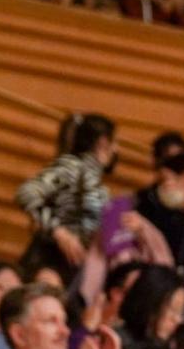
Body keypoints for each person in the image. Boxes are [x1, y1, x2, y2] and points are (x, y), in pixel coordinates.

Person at [15, 113, 118, 279]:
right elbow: (27, 192)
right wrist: (59, 231)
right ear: (103, 142)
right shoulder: (72, 167)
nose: (116, 149)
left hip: (71, 266)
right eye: (114, 142)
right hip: (47, 260)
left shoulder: (97, 184)